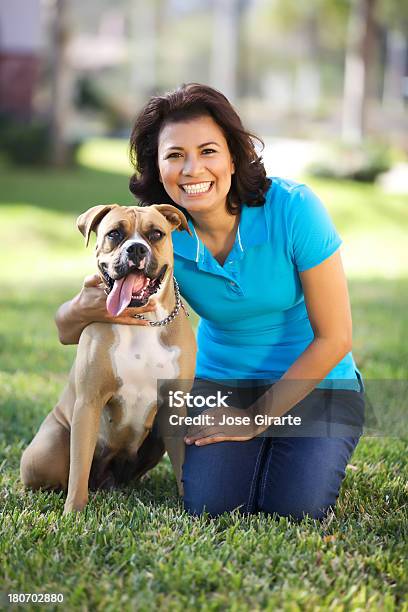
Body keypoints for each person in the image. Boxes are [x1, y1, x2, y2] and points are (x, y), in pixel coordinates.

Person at [56, 83, 365, 521]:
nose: (192, 168)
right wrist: (83, 310)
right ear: (158, 167)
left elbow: (335, 337)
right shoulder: (159, 235)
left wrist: (257, 418)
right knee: (214, 507)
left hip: (319, 384)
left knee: (293, 508)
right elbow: (71, 321)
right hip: (221, 384)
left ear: (234, 156)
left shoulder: (294, 210)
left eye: (207, 151)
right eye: (175, 155)